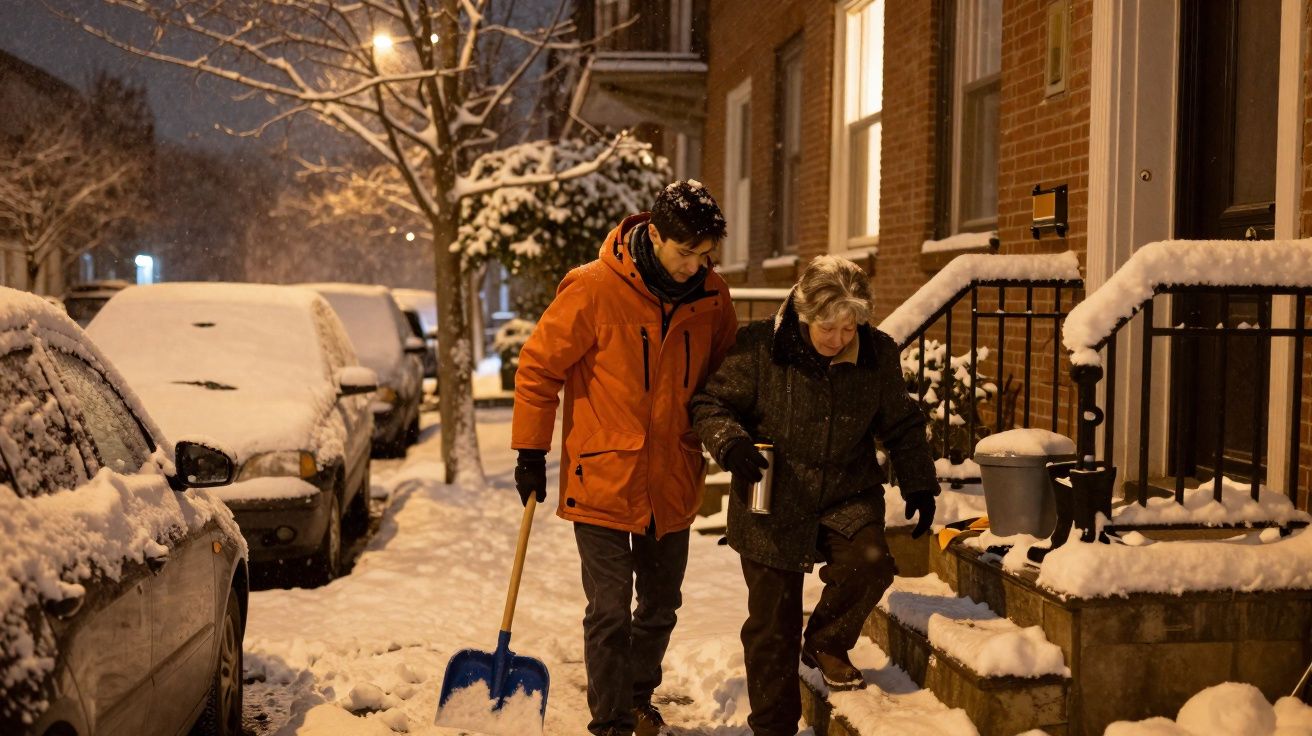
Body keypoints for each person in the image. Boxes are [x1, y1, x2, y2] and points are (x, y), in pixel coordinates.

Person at [510, 180, 739, 736]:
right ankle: (610, 722)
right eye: (686, 252)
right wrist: (531, 450)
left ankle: (637, 699)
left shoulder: (712, 296)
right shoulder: (592, 288)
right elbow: (539, 368)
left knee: (660, 606)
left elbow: (729, 376)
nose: (695, 265)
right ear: (654, 235)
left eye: (705, 254)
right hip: (603, 474)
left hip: (674, 473)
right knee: (610, 610)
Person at [690, 255, 938, 736]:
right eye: (828, 327)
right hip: (772, 497)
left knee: (869, 564)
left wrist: (920, 481)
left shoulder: (876, 353)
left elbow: (902, 424)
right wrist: (731, 443)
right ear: (804, 314)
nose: (839, 339)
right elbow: (711, 402)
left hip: (847, 490)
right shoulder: (760, 347)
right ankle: (774, 727)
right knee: (772, 625)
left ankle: (826, 641)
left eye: (849, 327)